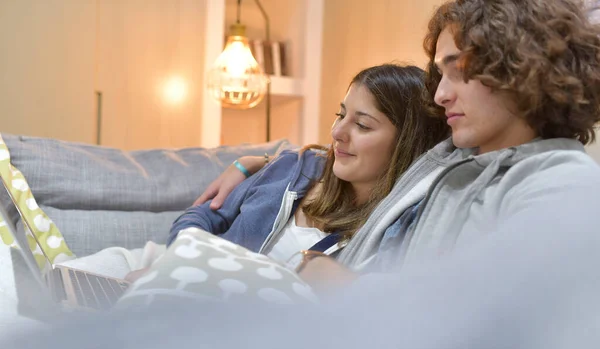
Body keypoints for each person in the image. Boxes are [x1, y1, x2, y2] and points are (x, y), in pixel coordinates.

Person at [196, 0, 600, 284]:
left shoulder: (563, 184)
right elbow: (344, 152)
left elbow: (497, 319)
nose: (440, 95)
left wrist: (339, 284)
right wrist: (253, 162)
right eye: (439, 75)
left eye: (458, 70)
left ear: (523, 67)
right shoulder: (452, 160)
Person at [165, 63, 447, 266]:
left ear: (407, 144)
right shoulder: (295, 168)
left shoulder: (395, 231)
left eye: (362, 125)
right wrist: (183, 263)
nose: (337, 132)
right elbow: (200, 218)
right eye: (341, 114)